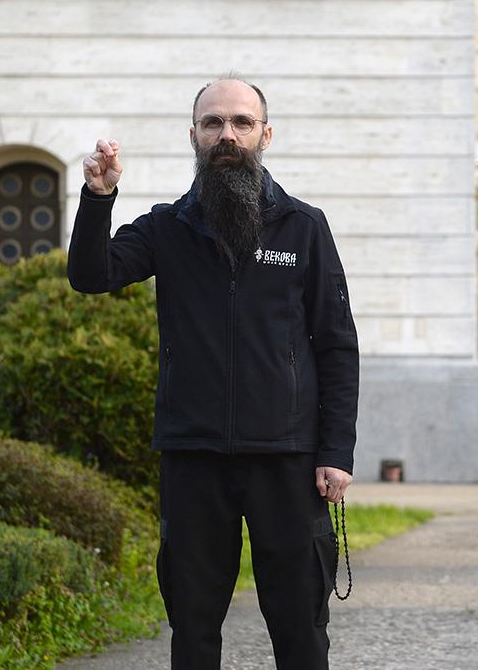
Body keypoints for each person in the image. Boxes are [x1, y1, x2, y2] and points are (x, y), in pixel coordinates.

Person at [67, 76, 360, 670]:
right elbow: (91, 275)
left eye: (241, 123)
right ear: (194, 136)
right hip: (193, 456)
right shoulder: (166, 228)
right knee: (194, 630)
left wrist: (336, 450)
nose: (227, 135)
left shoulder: (304, 227)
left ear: (265, 135)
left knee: (301, 629)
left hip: (289, 459)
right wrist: (98, 198)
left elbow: (336, 344)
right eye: (213, 123)